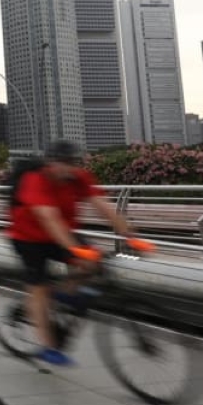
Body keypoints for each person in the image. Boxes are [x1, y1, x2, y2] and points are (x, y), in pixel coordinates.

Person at [8, 139, 136, 366]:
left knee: (94, 266)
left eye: (72, 163)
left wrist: (129, 234)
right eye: (62, 163)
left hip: (62, 232)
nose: (67, 168)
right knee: (38, 288)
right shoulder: (34, 179)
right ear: (49, 163)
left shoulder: (78, 178)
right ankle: (48, 347)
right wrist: (76, 251)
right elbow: (49, 219)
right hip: (28, 238)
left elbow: (102, 205)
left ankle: (63, 293)